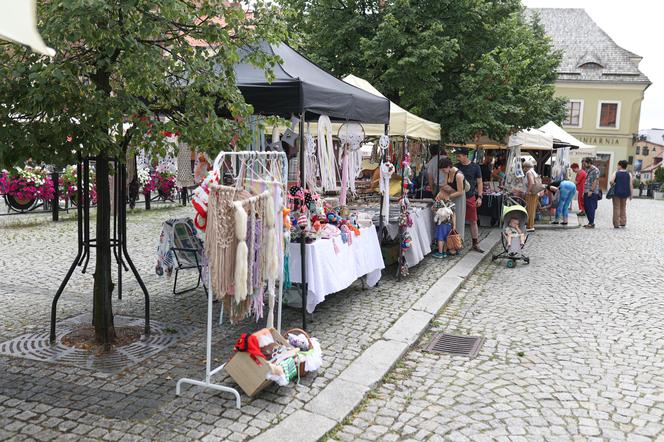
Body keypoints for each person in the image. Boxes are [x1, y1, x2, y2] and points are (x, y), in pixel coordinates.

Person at [455, 148, 484, 252]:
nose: (457, 158)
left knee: (473, 220)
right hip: (458, 197)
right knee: (456, 220)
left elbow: (480, 182)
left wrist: (480, 197)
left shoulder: (475, 167)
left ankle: (475, 243)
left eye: (459, 156)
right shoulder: (456, 167)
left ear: (465, 155)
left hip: (470, 196)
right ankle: (456, 242)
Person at [439, 157, 466, 252]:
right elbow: (447, 185)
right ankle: (450, 244)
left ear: (449, 166)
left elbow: (460, 192)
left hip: (458, 198)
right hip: (451, 196)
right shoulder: (448, 172)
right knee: (450, 220)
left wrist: (448, 197)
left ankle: (457, 244)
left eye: (443, 169)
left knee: (457, 220)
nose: (443, 172)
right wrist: (441, 192)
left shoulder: (459, 175)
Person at [609, 160, 633, 228]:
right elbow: (630, 184)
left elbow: (611, 181)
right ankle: (623, 222)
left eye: (618, 165)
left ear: (620, 165)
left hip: (617, 193)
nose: (617, 166)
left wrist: (614, 184)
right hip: (625, 193)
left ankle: (616, 224)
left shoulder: (616, 173)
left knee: (616, 208)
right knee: (623, 207)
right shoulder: (629, 174)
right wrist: (631, 194)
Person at [432, 191, 455, 258]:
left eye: (439, 193)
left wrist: (436, 202)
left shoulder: (439, 203)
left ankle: (440, 253)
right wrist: (454, 225)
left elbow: (432, 209)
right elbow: (453, 216)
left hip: (441, 224)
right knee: (446, 238)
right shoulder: (452, 204)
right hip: (449, 225)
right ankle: (444, 252)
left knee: (440, 239)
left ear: (443, 194)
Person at [582, 157, 601, 229]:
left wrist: (591, 190)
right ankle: (589, 222)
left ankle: (591, 223)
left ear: (589, 162)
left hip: (592, 192)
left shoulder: (595, 170)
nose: (584, 165)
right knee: (586, 207)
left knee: (591, 207)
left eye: (585, 163)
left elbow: (595, 181)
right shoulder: (588, 169)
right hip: (586, 191)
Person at [523, 160, 539, 232]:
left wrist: (527, 191)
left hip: (531, 194)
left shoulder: (529, 172)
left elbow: (531, 183)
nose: (523, 169)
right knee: (532, 209)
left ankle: (530, 226)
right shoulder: (533, 172)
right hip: (535, 193)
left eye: (524, 167)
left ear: (526, 167)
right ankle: (530, 225)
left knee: (530, 209)